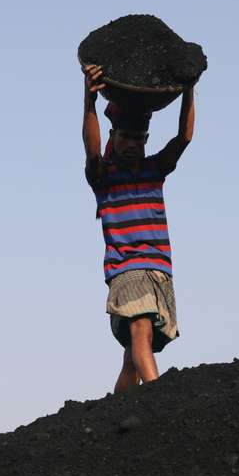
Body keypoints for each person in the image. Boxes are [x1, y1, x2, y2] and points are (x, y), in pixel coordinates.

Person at [82, 64, 196, 392]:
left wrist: (189, 90)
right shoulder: (104, 176)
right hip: (127, 270)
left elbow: (184, 137)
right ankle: (159, 402)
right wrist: (89, 102)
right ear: (113, 137)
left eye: (138, 138)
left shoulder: (153, 170)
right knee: (141, 331)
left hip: (159, 270)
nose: (132, 144)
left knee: (133, 356)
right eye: (125, 137)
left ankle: (119, 412)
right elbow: (91, 147)